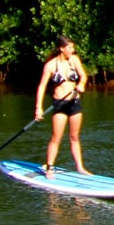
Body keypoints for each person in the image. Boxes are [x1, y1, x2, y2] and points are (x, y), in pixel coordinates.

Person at [35, 35, 91, 176]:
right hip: (60, 105)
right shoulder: (50, 65)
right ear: (62, 49)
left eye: (73, 47)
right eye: (70, 48)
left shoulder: (74, 60)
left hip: (74, 103)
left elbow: (83, 76)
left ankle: (80, 167)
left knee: (74, 137)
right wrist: (38, 108)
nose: (72, 50)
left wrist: (81, 84)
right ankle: (49, 167)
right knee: (56, 137)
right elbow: (41, 87)